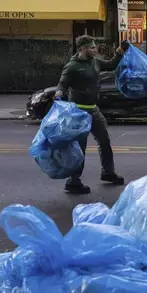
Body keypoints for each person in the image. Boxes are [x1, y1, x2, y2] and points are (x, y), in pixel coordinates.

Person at [55, 35, 126, 194]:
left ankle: (108, 172)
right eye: (92, 47)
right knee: (80, 148)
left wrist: (120, 51)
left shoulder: (95, 61)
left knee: (105, 141)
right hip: (78, 112)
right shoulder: (72, 67)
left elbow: (110, 65)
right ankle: (73, 181)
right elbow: (62, 84)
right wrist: (59, 93)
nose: (95, 50)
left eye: (95, 47)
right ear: (82, 49)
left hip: (93, 109)